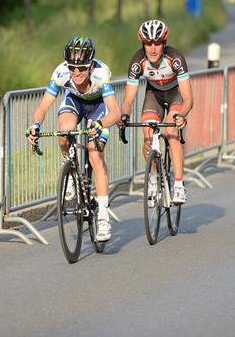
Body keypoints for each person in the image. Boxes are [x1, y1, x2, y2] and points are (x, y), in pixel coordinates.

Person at [27, 37, 120, 242]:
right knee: (64, 131)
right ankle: (68, 164)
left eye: (82, 68)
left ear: (91, 65)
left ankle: (103, 218)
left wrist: (101, 125)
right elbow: (43, 107)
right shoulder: (61, 73)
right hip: (75, 102)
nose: (76, 73)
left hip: (98, 107)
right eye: (72, 68)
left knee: (95, 155)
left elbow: (115, 113)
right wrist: (35, 126)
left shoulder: (101, 74)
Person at [119, 20, 192, 204]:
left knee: (171, 131)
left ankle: (179, 185)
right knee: (148, 134)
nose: (152, 49)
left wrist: (181, 115)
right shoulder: (138, 62)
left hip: (175, 94)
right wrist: (124, 115)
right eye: (148, 43)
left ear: (164, 43)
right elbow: (128, 100)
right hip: (154, 95)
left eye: (157, 43)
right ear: (142, 44)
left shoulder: (175, 59)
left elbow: (188, 98)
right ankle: (152, 178)